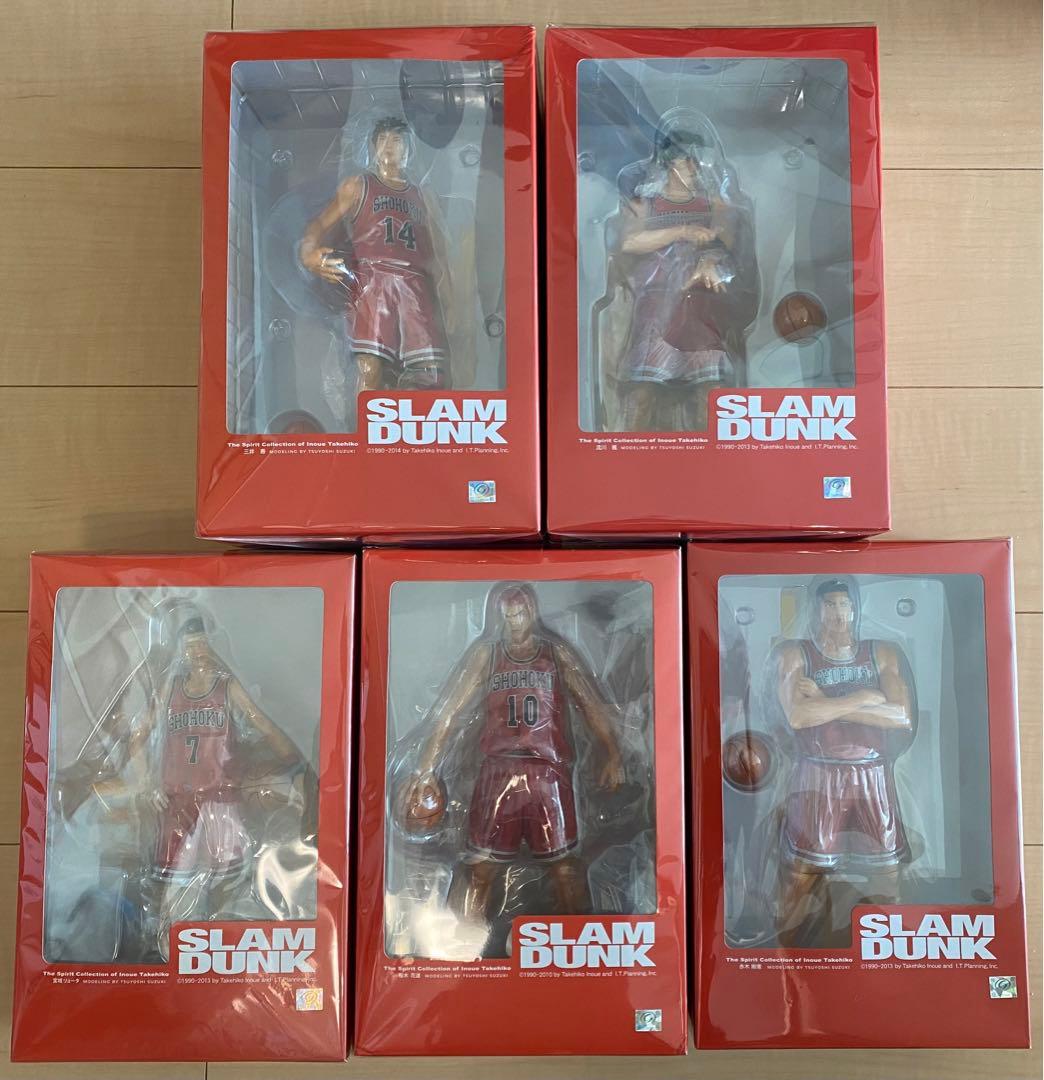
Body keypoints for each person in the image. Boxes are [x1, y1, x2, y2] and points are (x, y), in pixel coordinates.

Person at [401, 584, 625, 935]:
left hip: (547, 774)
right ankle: (459, 950)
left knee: (566, 870)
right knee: (480, 870)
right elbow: (450, 712)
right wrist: (426, 767)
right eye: (508, 615)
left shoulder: (555, 653)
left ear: (532, 612)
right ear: (499, 615)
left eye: (520, 613)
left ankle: (578, 947)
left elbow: (589, 703)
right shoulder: (487, 654)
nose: (515, 621)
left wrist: (611, 751)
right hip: (499, 771)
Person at [772, 579, 916, 946]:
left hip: (872, 773)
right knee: (803, 872)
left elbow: (900, 715)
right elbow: (799, 717)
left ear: (855, 608)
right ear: (815, 609)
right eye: (829, 604)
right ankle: (784, 952)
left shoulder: (881, 651)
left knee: (887, 872)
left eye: (843, 604)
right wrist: (866, 696)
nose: (837, 613)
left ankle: (886, 950)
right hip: (818, 772)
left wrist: (825, 701)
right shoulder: (795, 653)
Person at [300, 116, 453, 392]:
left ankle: (405, 417)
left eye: (396, 140)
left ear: (408, 148)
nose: (389, 145)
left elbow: (439, 256)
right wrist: (308, 252)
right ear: (372, 147)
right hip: (373, 281)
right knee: (369, 368)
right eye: (383, 139)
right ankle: (364, 419)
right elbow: (320, 223)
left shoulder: (423, 196)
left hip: (414, 285)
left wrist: (451, 304)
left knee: (430, 376)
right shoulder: (358, 185)